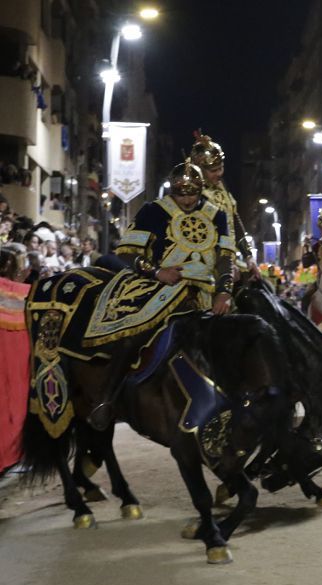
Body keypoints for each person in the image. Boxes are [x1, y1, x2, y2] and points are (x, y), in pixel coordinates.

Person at [91, 162, 235, 428]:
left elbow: (226, 257)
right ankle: (106, 399)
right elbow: (127, 253)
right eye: (182, 194)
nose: (188, 199)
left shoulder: (218, 214)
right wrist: (157, 272)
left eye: (193, 192)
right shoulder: (152, 211)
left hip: (206, 291)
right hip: (161, 287)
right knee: (133, 332)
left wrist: (224, 292)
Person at [190, 131, 260, 277]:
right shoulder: (191, 193)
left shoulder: (221, 186)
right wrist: (225, 265)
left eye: (221, 168)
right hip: (200, 265)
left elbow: (233, 219)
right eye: (213, 170)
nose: (219, 174)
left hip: (228, 261)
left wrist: (248, 256)